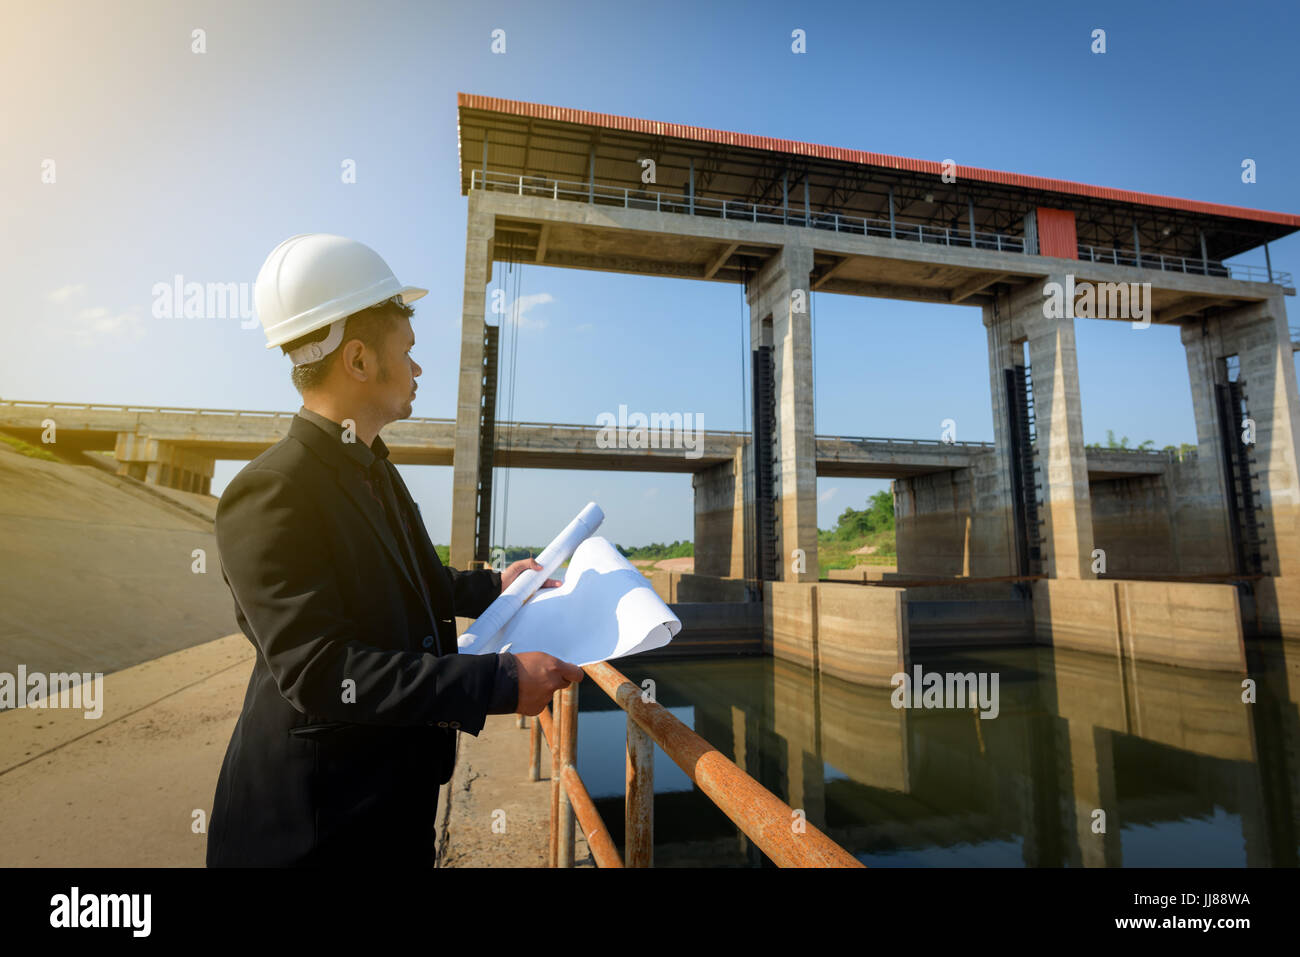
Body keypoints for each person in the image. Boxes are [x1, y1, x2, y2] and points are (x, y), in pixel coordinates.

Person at [206, 233, 583, 867]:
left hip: (386, 811)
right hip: (314, 829)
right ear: (357, 360)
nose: (418, 369)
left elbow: (415, 580)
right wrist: (496, 682)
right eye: (407, 352)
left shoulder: (370, 467)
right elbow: (319, 670)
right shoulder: (272, 491)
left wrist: (495, 585)